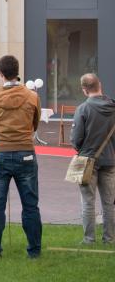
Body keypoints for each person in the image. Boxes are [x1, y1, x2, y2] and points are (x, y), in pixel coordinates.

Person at [0, 55, 42, 260]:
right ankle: (34, 251)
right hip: (25, 152)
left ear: (1, 73)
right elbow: (35, 123)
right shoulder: (32, 96)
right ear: (17, 72)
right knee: (30, 205)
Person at [71, 73, 115, 245]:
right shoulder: (113, 106)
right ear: (100, 84)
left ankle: (89, 239)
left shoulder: (83, 108)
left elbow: (75, 140)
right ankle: (109, 239)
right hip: (110, 160)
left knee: (88, 201)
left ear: (84, 90)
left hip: (87, 160)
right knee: (109, 202)